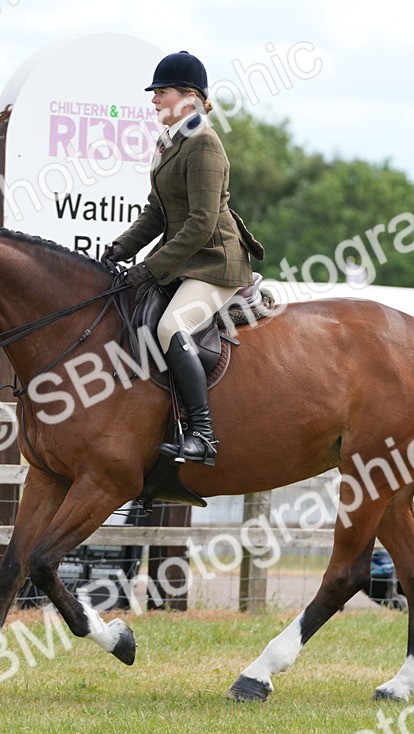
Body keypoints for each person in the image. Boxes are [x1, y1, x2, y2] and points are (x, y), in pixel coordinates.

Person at [102, 50, 264, 467]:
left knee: (171, 326)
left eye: (163, 91)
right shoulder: (169, 142)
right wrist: (121, 248)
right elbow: (157, 212)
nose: (154, 99)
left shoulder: (204, 144)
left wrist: (149, 268)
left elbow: (201, 224)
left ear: (189, 97)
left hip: (215, 261)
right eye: (154, 92)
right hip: (186, 260)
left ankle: (203, 434)